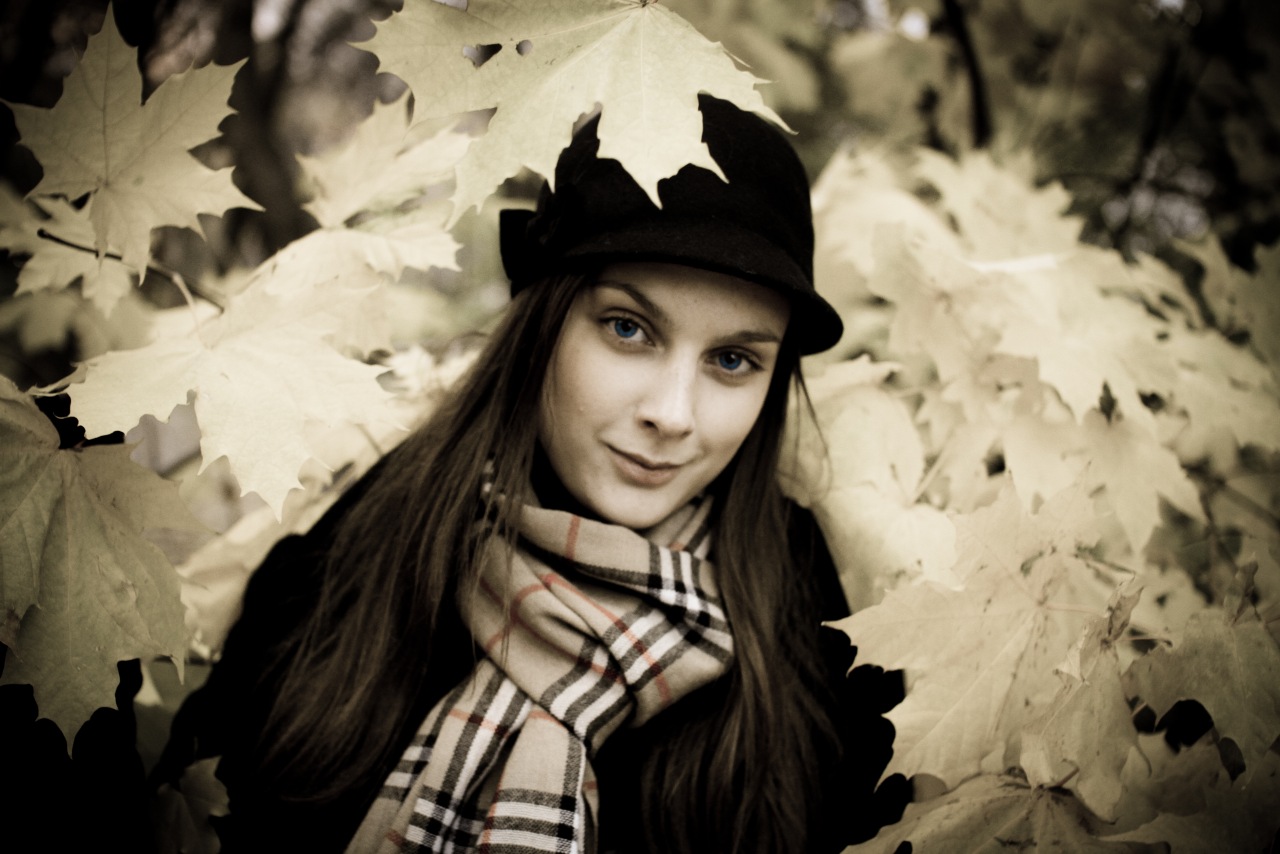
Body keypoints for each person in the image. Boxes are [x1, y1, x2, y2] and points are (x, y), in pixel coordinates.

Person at [153, 94, 907, 853]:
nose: (673, 414)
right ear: (544, 322)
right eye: (628, 329)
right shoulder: (362, 552)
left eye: (733, 360)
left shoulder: (810, 619)